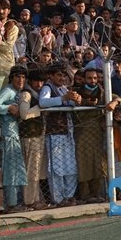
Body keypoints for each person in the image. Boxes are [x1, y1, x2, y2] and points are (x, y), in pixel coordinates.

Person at [74, 66, 121, 202]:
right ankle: (84, 196)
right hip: (82, 135)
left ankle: (97, 194)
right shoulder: (77, 92)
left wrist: (114, 102)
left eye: (95, 78)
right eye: (89, 78)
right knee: (84, 165)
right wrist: (83, 102)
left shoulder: (103, 92)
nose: (93, 81)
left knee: (99, 165)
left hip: (98, 135)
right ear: (84, 79)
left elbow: (119, 98)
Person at [0, 66, 29, 211]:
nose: (21, 80)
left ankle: (15, 202)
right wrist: (8, 108)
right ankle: (11, 204)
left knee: (16, 171)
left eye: (23, 77)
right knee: (11, 171)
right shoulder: (8, 91)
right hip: (7, 136)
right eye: (18, 76)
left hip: (14, 135)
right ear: (11, 78)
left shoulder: (18, 93)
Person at [39, 64, 81, 205]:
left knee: (70, 166)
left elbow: (70, 103)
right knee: (56, 167)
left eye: (63, 75)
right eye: (58, 75)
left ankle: (69, 195)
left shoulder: (63, 89)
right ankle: (58, 198)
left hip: (67, 131)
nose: (62, 78)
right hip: (54, 133)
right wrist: (63, 99)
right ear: (50, 76)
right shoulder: (48, 88)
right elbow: (43, 102)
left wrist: (76, 100)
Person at [18, 68, 48, 208]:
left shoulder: (37, 94)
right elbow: (24, 114)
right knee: (31, 169)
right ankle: (30, 201)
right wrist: (39, 109)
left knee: (37, 169)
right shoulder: (26, 94)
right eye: (36, 81)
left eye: (42, 81)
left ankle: (35, 198)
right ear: (30, 81)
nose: (39, 84)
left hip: (37, 134)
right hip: (30, 136)